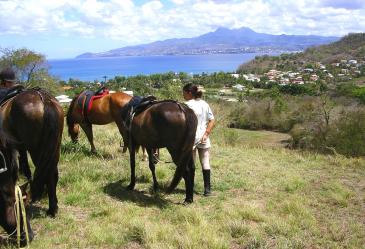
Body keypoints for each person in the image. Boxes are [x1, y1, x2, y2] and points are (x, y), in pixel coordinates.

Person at [183, 83, 215, 196]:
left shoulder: (186, 105)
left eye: (183, 93)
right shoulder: (205, 104)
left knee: (191, 164)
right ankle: (207, 190)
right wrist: (206, 134)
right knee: (205, 162)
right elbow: (212, 120)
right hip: (203, 137)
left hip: (191, 138)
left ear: (189, 93)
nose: (183, 95)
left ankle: (190, 189)